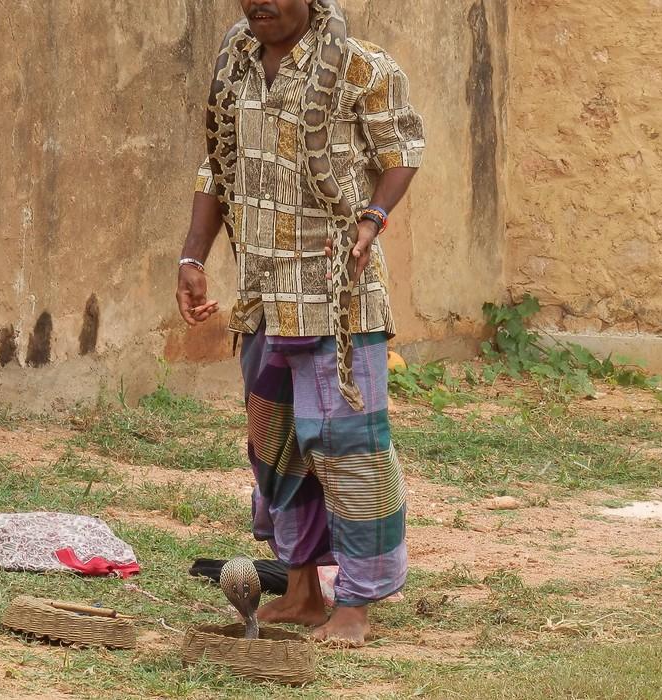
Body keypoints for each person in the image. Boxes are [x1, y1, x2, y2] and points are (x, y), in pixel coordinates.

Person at [175, 0, 424, 646]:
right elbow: (218, 168)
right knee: (276, 448)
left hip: (339, 298)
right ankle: (304, 589)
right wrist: (193, 255)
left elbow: (400, 151)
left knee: (349, 448)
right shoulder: (235, 66)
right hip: (262, 295)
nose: (260, 2)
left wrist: (371, 219)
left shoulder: (361, 67)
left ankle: (357, 605)